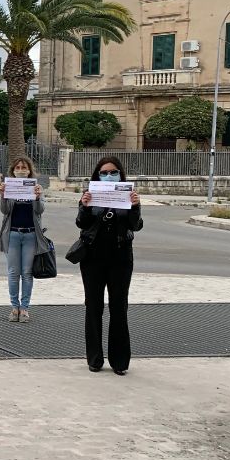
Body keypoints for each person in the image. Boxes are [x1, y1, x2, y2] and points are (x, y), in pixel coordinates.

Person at [77, 156, 142, 376]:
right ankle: (94, 358)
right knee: (93, 307)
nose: (109, 176)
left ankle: (120, 361)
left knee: (119, 307)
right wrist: (85, 206)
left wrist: (135, 206)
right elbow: (81, 223)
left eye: (113, 172)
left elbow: (136, 225)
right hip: (92, 258)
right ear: (97, 176)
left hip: (120, 257)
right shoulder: (89, 194)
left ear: (120, 174)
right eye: (104, 173)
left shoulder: (129, 195)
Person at [0, 156, 47, 323]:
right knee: (13, 272)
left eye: (24, 168)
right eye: (17, 168)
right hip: (13, 234)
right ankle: (14, 307)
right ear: (13, 171)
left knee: (27, 273)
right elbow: (5, 211)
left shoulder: (36, 187)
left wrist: (37, 197)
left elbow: (40, 210)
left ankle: (24, 308)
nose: (21, 171)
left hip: (31, 234)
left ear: (29, 170)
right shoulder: (9, 187)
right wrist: (3, 196)